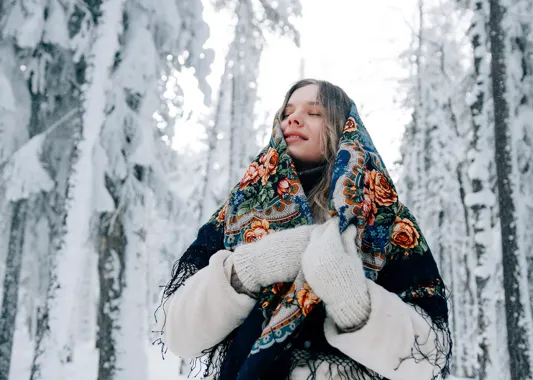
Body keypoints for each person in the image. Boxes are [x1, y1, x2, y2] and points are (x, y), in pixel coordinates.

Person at [155, 79, 452, 380]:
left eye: (314, 113)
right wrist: (249, 268)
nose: (293, 119)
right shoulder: (238, 211)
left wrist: (352, 301)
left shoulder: (385, 218)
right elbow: (177, 334)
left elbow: (429, 358)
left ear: (344, 126)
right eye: (287, 112)